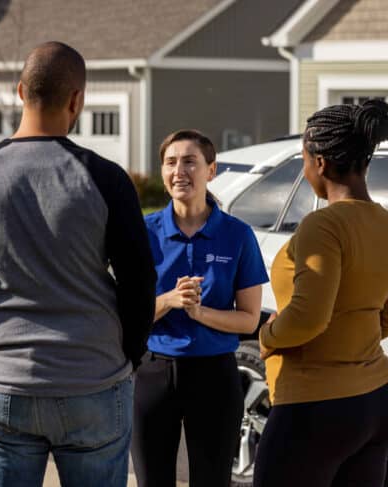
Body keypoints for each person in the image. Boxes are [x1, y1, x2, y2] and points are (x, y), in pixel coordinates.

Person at [0, 41, 156, 487]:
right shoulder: (105, 178)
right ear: (77, 100)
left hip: (5, 381)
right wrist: (131, 352)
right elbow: (139, 281)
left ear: (20, 91)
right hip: (94, 380)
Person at [253, 100, 388, 487]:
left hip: (317, 406)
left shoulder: (322, 225)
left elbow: (309, 316)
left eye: (304, 160)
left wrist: (267, 336)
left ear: (318, 162)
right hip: (380, 399)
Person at [132, 129, 269, 487]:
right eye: (171, 162)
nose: (180, 170)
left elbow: (250, 318)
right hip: (152, 374)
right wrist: (168, 301)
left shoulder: (237, 235)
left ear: (211, 170)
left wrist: (199, 313)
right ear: (162, 172)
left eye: (190, 161)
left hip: (215, 377)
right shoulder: (142, 233)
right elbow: (124, 314)